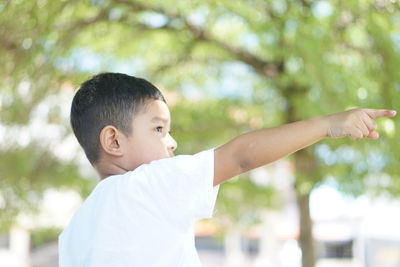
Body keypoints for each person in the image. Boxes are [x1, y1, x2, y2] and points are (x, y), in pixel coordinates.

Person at [58, 72, 396, 267]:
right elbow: (240, 156)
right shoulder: (148, 185)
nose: (172, 142)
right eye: (159, 129)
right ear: (114, 141)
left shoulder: (74, 230)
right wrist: (327, 124)